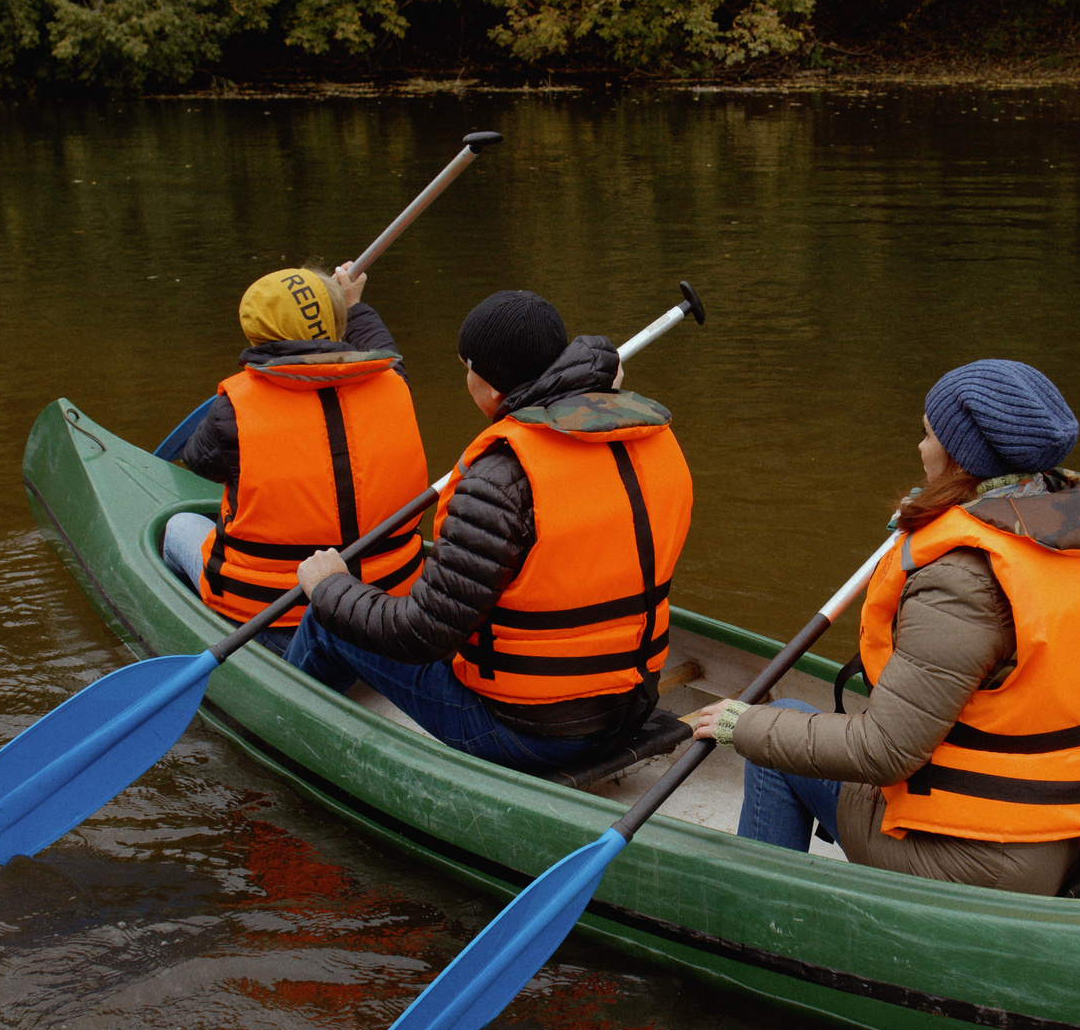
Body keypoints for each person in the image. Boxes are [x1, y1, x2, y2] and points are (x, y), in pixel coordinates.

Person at [685, 360, 1080, 895]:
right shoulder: (1078, 534)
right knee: (793, 728)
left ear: (959, 459)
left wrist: (741, 726)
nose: (920, 449)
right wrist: (939, 508)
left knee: (774, 731)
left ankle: (756, 913)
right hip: (1065, 826)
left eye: (928, 435)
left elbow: (885, 751)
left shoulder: (963, 578)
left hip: (977, 859)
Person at [285, 289, 694, 774]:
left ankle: (276, 723)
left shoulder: (502, 478)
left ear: (492, 385)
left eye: (467, 367)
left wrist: (329, 585)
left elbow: (422, 635)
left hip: (528, 733)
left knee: (327, 620)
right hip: (630, 704)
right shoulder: (653, 436)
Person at [161, 263, 429, 655]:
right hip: (386, 600)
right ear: (338, 322)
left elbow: (199, 461)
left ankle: (207, 629)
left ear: (259, 333)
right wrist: (355, 306)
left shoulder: (232, 409)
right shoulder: (393, 385)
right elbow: (385, 349)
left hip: (274, 615)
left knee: (176, 526)